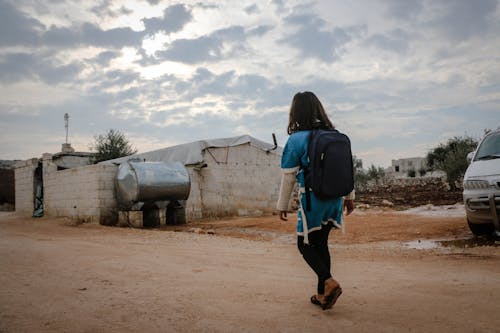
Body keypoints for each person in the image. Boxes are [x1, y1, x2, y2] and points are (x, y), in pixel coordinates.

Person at [276, 91, 355, 310]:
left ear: (296, 112)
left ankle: (329, 282)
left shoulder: (296, 139)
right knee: (321, 244)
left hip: (313, 200)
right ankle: (322, 295)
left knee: (304, 244)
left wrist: (282, 205)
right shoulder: (334, 134)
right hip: (334, 199)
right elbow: (345, 168)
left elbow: (289, 175)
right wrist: (349, 197)